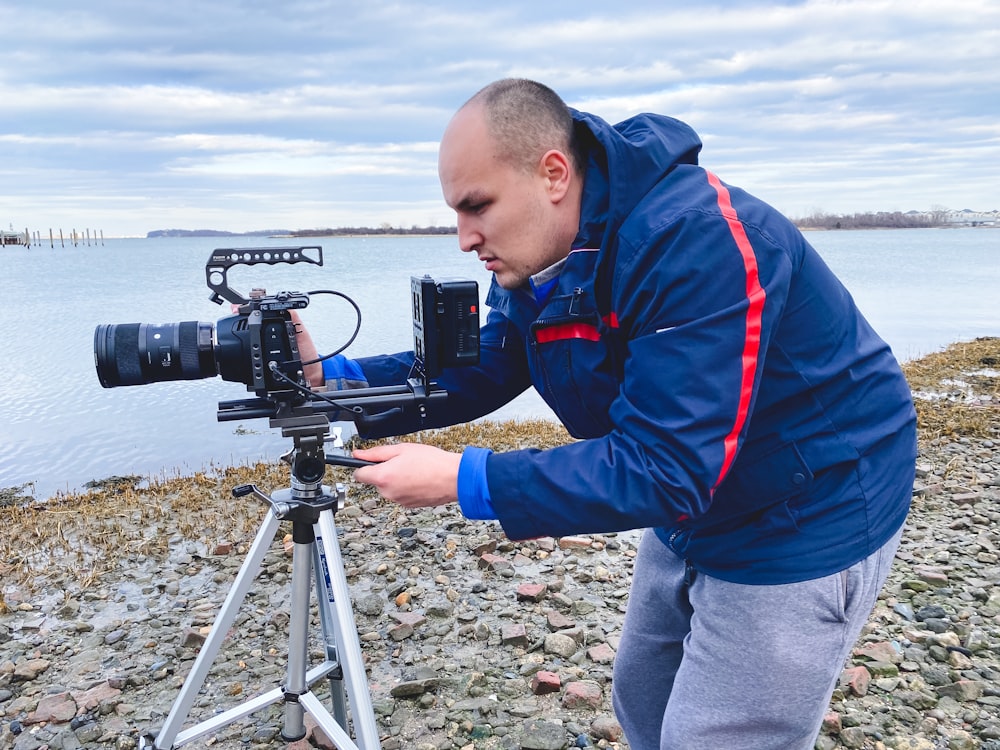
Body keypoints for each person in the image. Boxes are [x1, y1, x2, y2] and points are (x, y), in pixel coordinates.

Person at [307, 79, 917, 750]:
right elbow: (491, 361)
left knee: (713, 737)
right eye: (455, 212)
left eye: (477, 206)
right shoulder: (539, 252)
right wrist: (331, 381)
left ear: (554, 174)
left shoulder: (694, 239)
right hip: (693, 491)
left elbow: (664, 467)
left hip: (809, 504)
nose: (463, 238)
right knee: (644, 700)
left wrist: (464, 479)